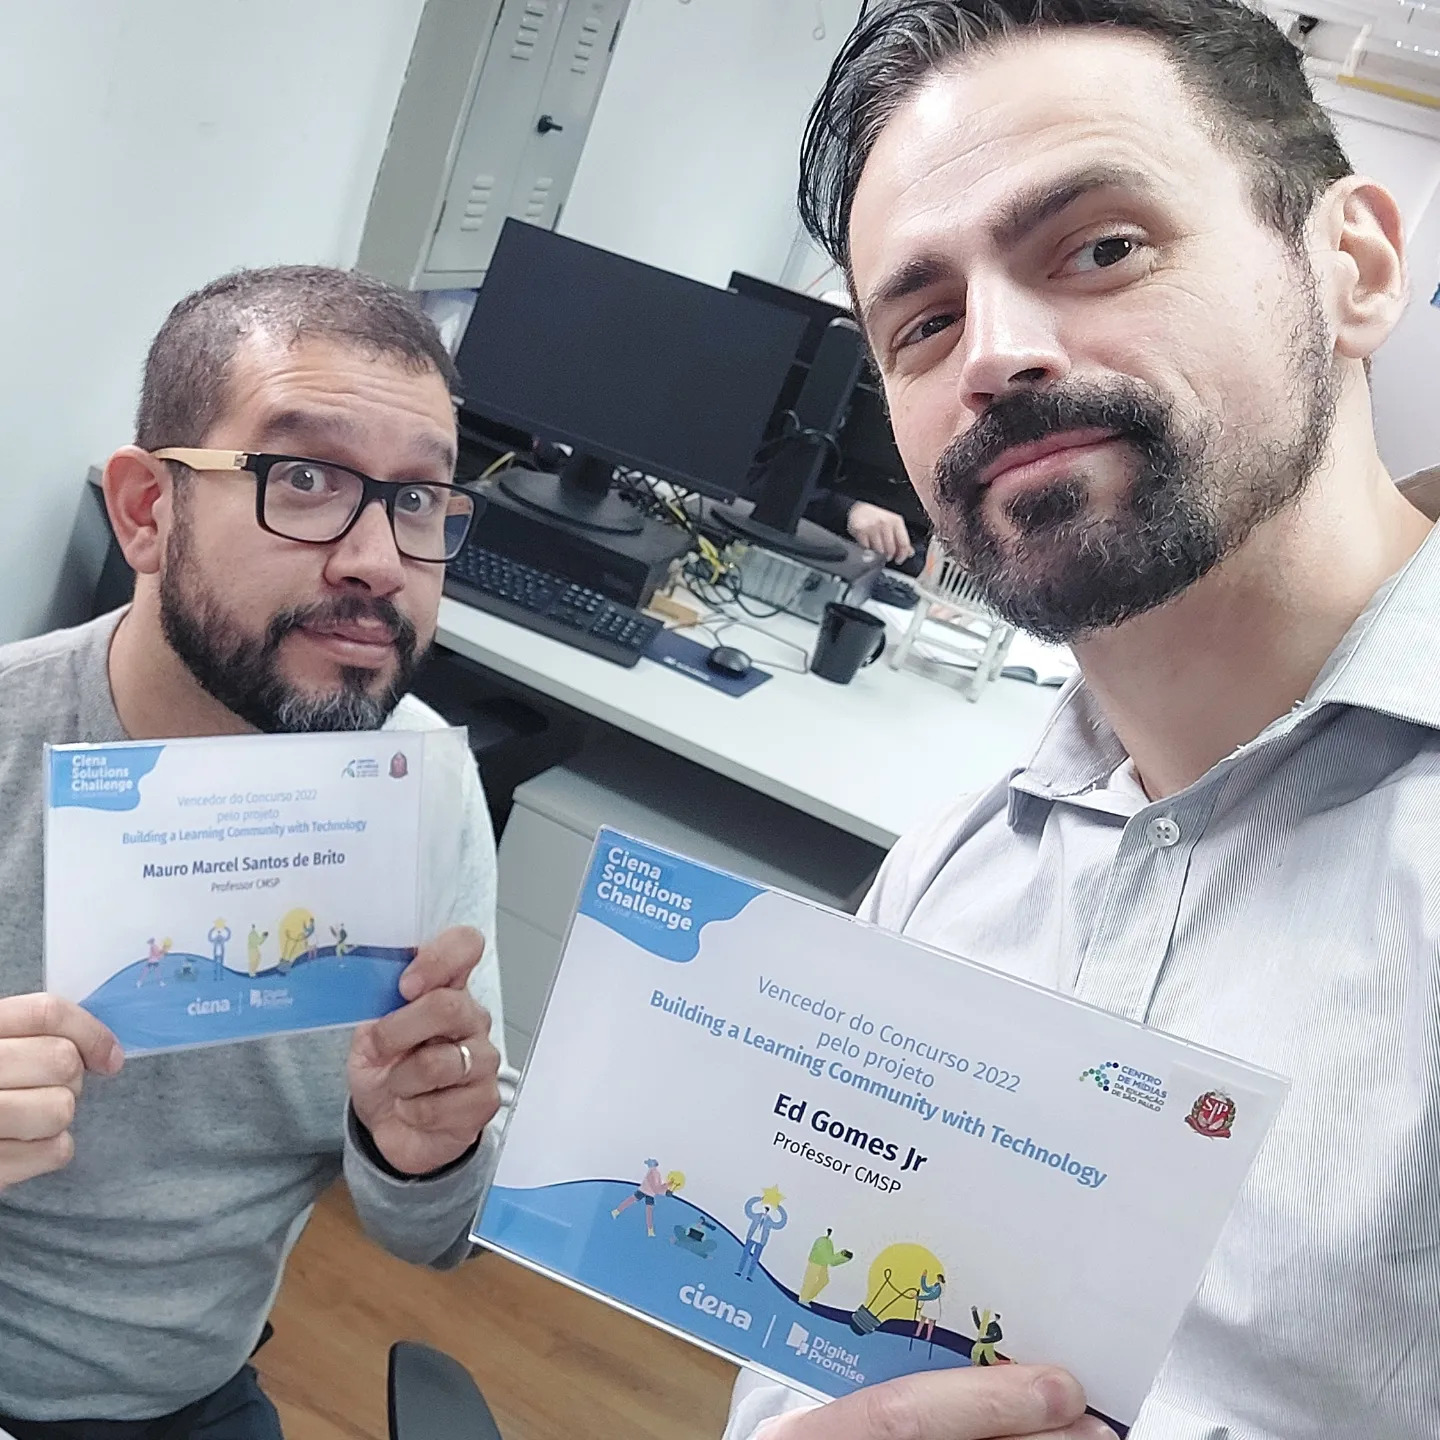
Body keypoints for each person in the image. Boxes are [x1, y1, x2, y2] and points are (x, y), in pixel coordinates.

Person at [723, 0, 1439, 1437]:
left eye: (1102, 247)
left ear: (1353, 265)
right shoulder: (943, 886)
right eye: (921, 322)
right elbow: (797, 1366)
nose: (992, 354)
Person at [0, 266, 513, 1439]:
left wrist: (425, 1152)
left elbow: (432, 1236)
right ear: (146, 512)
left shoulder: (422, 789)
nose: (378, 559)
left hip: (179, 1400)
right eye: (307, 480)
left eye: (421, 501)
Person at [799, 1228, 853, 1307]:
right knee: (811, 1280)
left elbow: (831, 1260)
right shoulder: (824, 1242)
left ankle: (807, 1298)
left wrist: (843, 1256)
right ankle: (804, 1298)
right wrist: (843, 1256)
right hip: (816, 1263)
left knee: (823, 1280)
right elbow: (831, 1261)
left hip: (821, 1263)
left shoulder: (827, 1242)